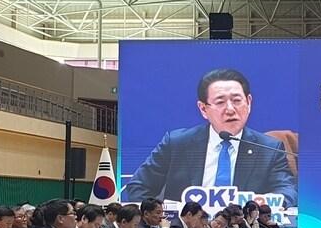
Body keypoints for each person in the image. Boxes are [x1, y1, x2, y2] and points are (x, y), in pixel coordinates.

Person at [123, 68, 297, 206]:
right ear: (203, 109)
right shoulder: (177, 143)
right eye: (220, 102)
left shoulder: (269, 148)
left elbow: (288, 192)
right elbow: (138, 187)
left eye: (237, 100)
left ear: (249, 102)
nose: (230, 109)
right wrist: (160, 219)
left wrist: (263, 205)